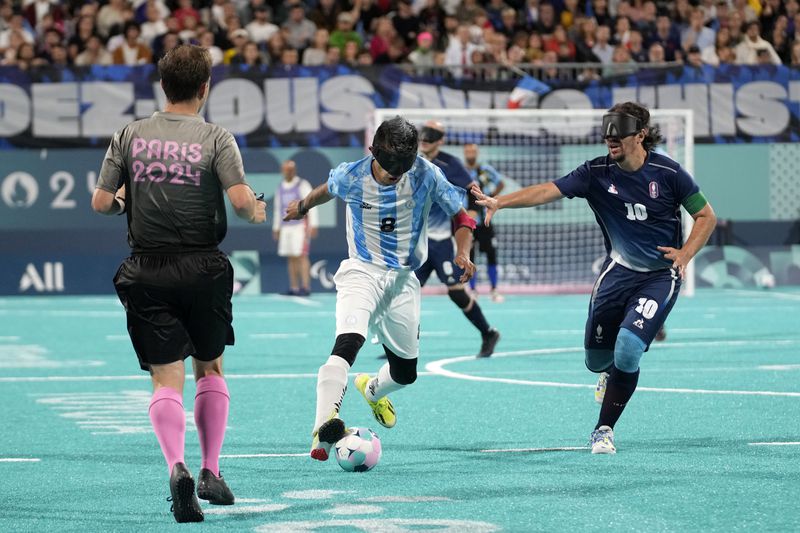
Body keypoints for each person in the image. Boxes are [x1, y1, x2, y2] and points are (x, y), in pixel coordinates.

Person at [472, 102, 716, 454]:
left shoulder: (670, 173)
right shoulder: (595, 172)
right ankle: (609, 374)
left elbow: (706, 216)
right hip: (617, 273)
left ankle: (603, 429)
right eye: (607, 133)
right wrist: (501, 202)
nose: (610, 139)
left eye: (618, 134)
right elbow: (547, 189)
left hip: (660, 276)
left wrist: (685, 254)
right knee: (597, 361)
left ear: (641, 135)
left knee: (629, 350)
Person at [91, 44, 267, 522]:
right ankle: (211, 469)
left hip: (147, 268)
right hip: (203, 267)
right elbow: (241, 202)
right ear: (205, 88)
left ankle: (177, 466)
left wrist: (127, 198)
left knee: (164, 379)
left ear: (162, 87)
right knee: (209, 368)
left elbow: (101, 203)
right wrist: (257, 206)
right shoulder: (216, 137)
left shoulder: (128, 135)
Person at [282, 116, 477, 463]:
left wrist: (463, 251)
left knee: (406, 374)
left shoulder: (427, 174)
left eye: (402, 168)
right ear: (372, 151)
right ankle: (322, 428)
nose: (394, 175)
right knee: (347, 342)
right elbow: (325, 190)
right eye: (389, 167)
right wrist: (302, 206)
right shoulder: (350, 175)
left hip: (403, 280)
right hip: (362, 270)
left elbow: (462, 217)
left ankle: (372, 390)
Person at [416, 121, 501, 358]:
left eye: (431, 136)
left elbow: (473, 193)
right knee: (406, 291)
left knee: (456, 291)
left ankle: (488, 332)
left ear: (441, 140)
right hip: (418, 242)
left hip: (443, 240)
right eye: (423, 135)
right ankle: (401, 343)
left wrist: (471, 217)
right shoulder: (414, 162)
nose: (424, 140)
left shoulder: (450, 164)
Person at [463, 143, 505, 303]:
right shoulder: (461, 171)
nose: (470, 153)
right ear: (464, 153)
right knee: (470, 255)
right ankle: (472, 290)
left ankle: (494, 290)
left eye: (473, 150)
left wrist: (491, 198)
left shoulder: (485, 169)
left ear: (477, 152)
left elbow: (500, 183)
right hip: (468, 222)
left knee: (491, 255)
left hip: (485, 221)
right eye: (467, 151)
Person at [272, 159, 318, 296]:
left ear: (295, 170)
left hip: (300, 226)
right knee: (290, 257)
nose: (289, 172)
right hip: (286, 227)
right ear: (282, 171)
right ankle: (294, 287)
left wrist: (313, 224)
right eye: (286, 169)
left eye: (291, 169)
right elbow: (277, 209)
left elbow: (312, 204)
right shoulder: (280, 188)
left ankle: (306, 287)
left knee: (301, 255)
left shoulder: (302, 185)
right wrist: (276, 227)